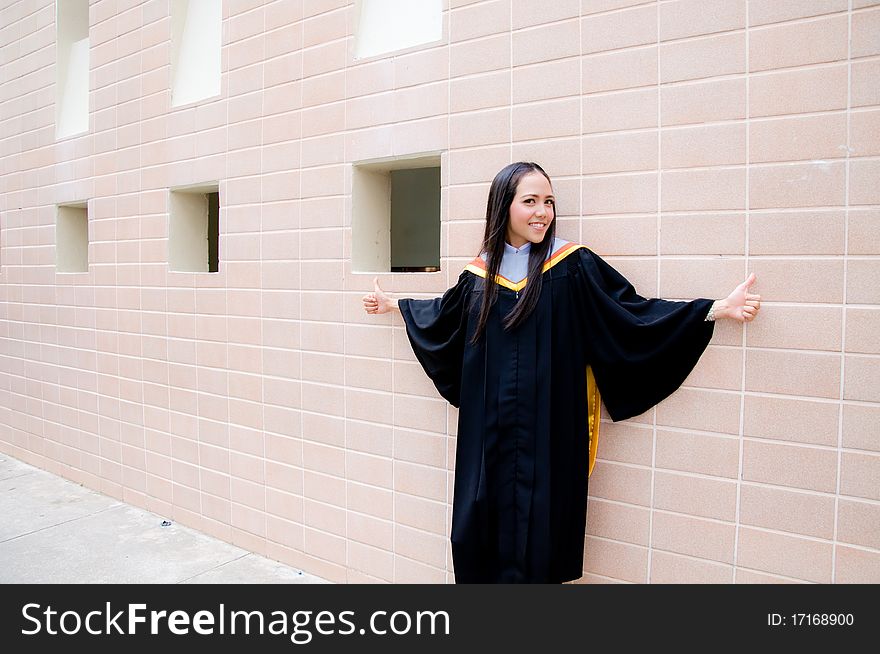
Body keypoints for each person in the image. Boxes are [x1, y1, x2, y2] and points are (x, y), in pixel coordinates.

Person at [362, 162, 761, 583]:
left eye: (549, 201)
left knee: (544, 528)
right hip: (488, 430)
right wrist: (395, 305)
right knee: (481, 522)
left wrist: (716, 309)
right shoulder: (478, 273)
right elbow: (444, 315)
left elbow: (630, 313)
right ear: (504, 207)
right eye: (530, 201)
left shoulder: (572, 265)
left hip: (550, 426)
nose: (543, 212)